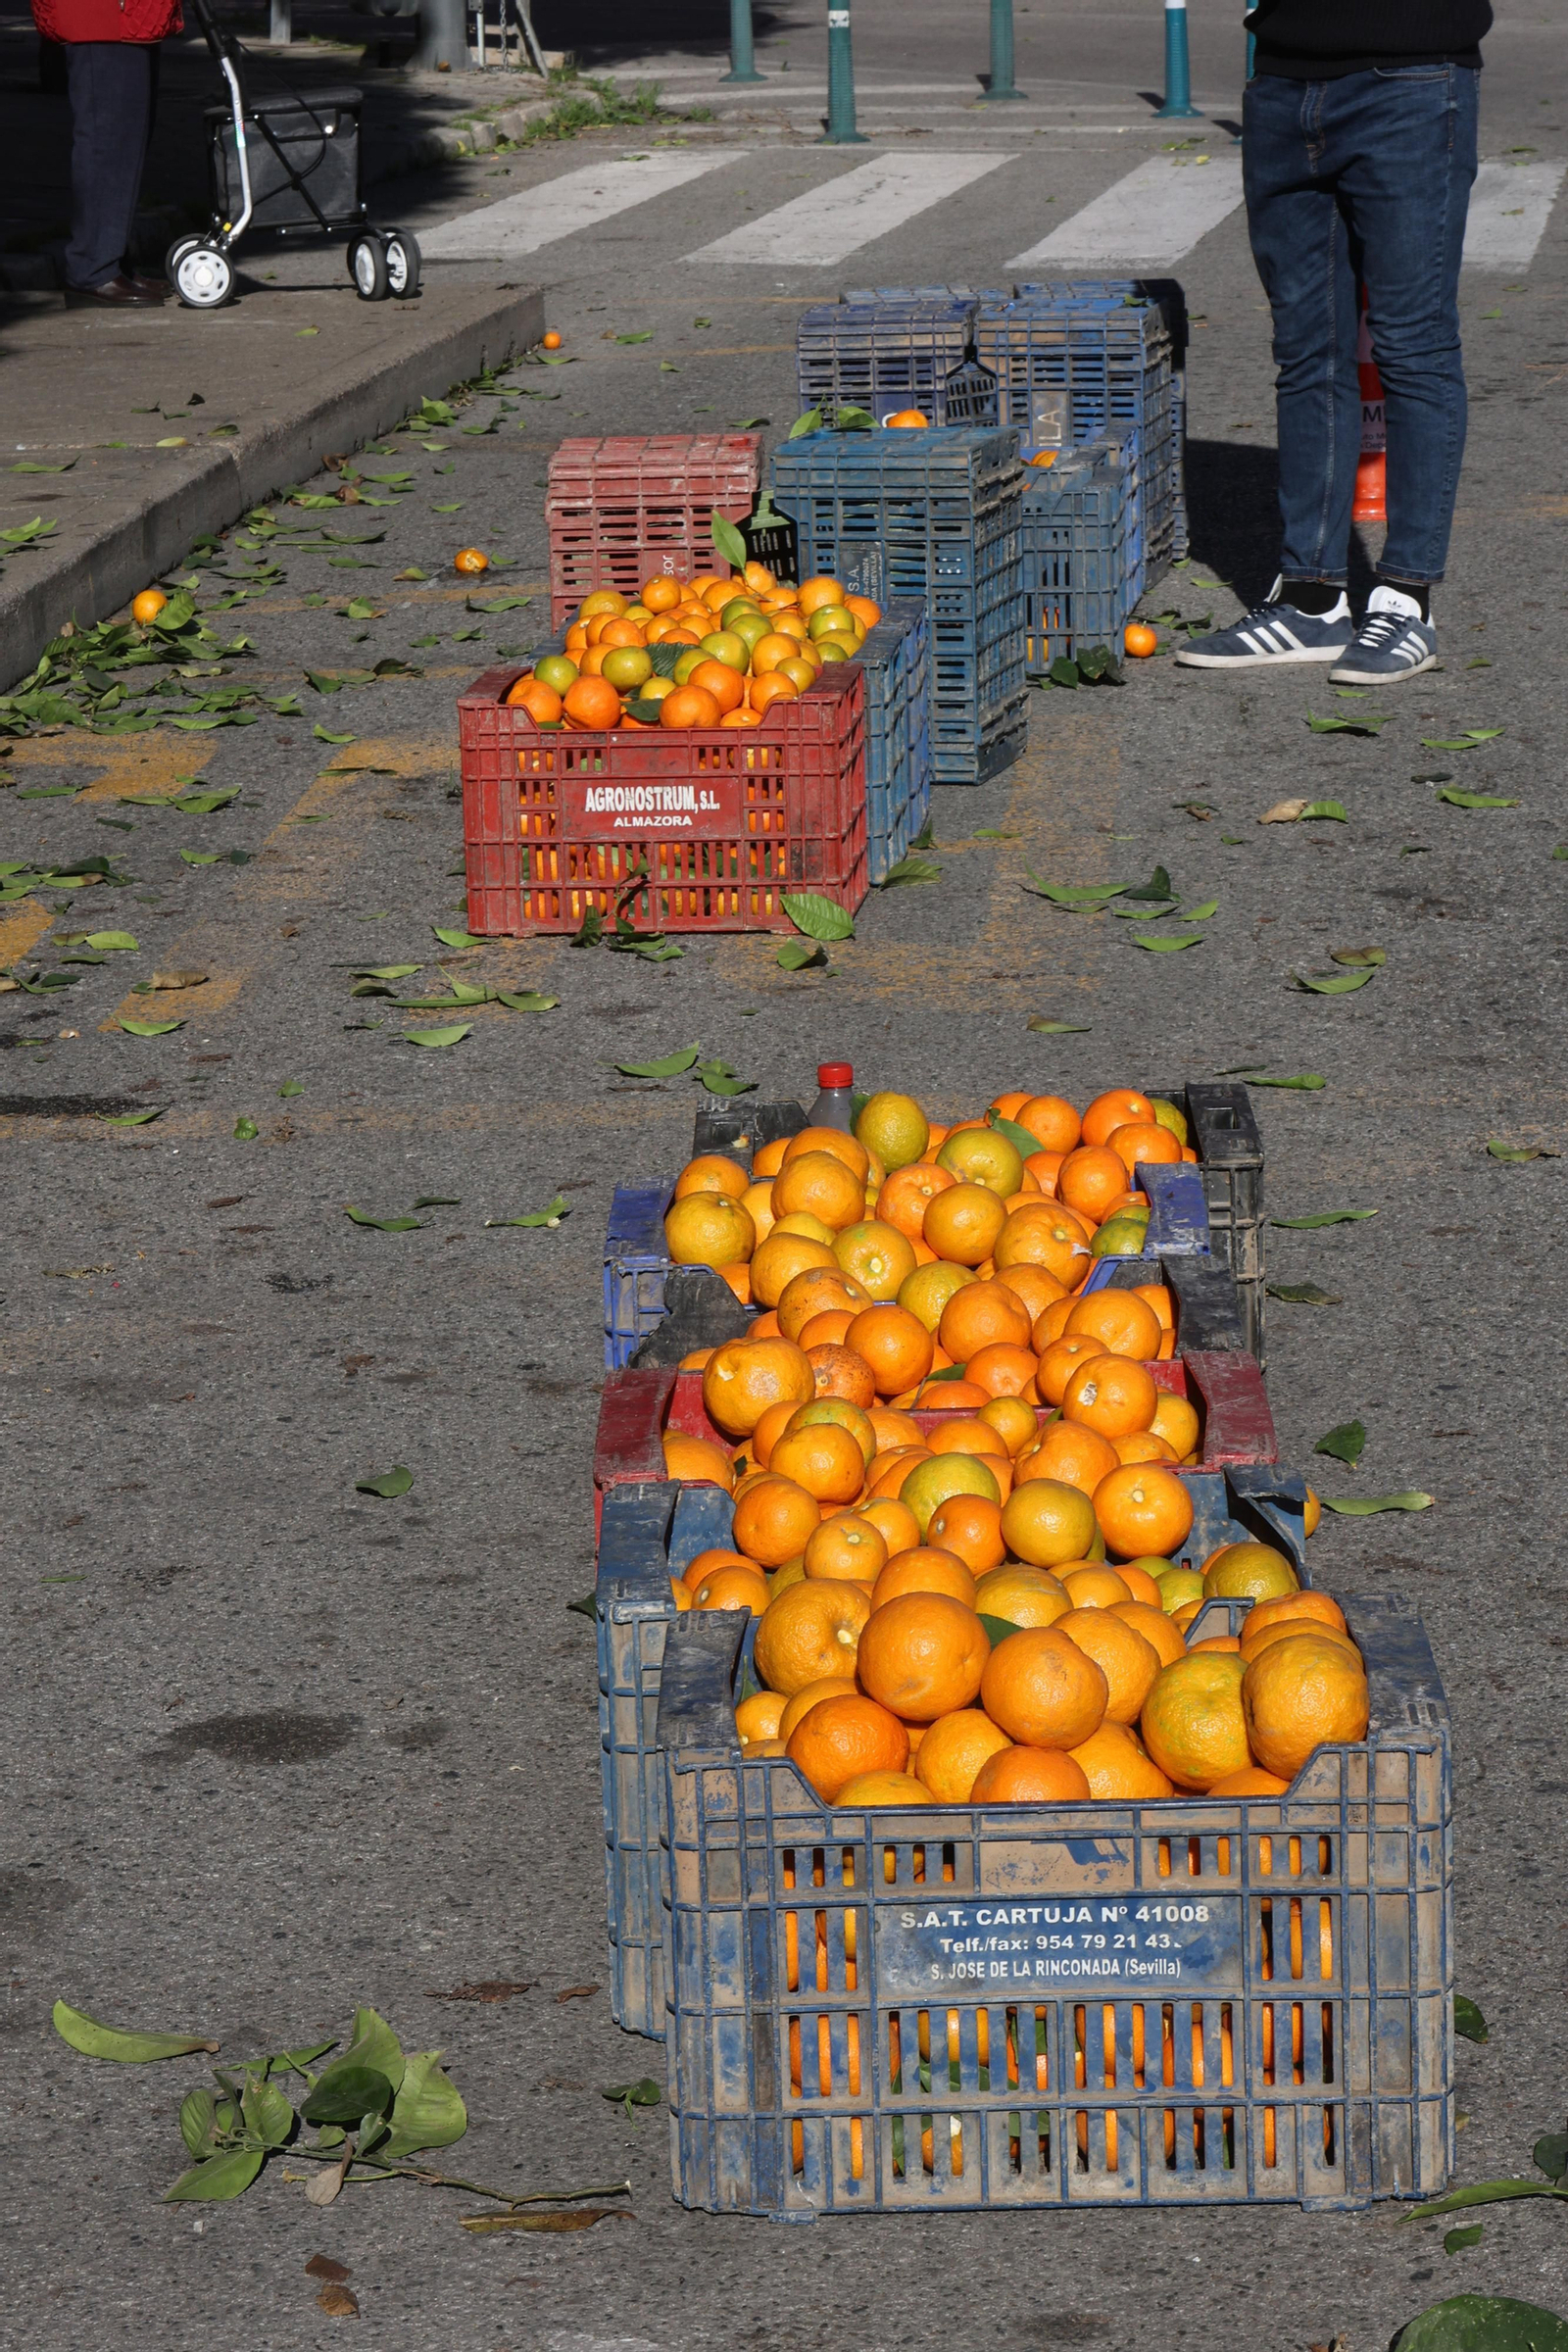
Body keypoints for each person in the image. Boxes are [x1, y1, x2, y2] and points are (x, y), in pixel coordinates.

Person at [1177, 0, 1491, 685]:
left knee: (1414, 346)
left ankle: (1408, 600)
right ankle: (1311, 601)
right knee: (1307, 351)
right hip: (1284, 83)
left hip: (1412, 78)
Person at [32, 0, 182, 307]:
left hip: (128, 16)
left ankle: (111, 261)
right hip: (103, 15)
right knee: (107, 139)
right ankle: (91, 269)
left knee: (125, 140)